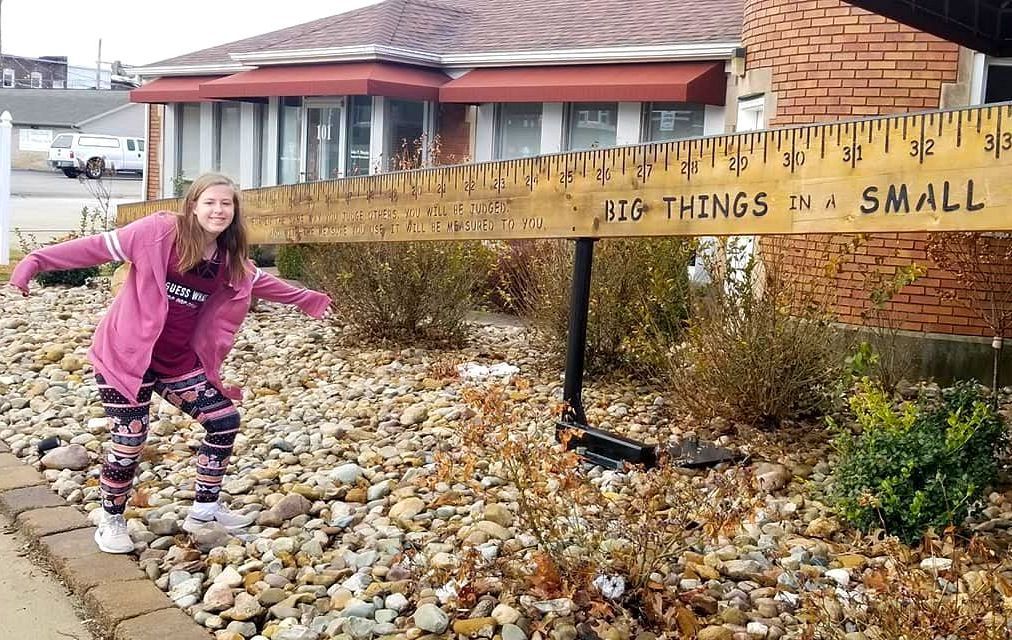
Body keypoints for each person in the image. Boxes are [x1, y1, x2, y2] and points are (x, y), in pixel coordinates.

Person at [9, 173, 332, 554]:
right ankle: (111, 520)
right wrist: (34, 261)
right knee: (129, 440)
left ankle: (204, 510)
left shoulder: (229, 259)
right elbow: (97, 247)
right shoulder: (158, 232)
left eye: (226, 204)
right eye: (210, 202)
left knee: (223, 421)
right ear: (192, 205)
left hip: (175, 362)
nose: (218, 210)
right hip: (125, 356)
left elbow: (264, 283)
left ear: (235, 212)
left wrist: (310, 299)